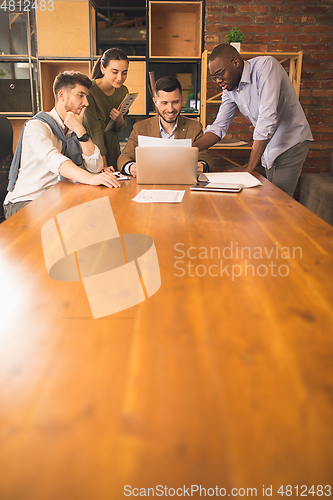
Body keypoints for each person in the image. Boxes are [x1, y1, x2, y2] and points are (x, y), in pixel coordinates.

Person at [193, 44, 313, 197]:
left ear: (235, 62)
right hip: (268, 146)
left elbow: (267, 119)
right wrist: (190, 149)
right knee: (269, 200)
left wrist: (248, 168)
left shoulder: (266, 67)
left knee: (278, 201)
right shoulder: (229, 90)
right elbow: (219, 127)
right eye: (214, 77)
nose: (218, 80)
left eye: (219, 73)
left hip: (291, 142)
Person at [4, 71, 120, 219]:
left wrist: (80, 131)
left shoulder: (73, 129)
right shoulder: (37, 126)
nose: (86, 103)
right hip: (26, 201)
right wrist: (91, 178)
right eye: (80, 95)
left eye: (87, 96)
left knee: (98, 215)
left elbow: (95, 167)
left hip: (54, 198)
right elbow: (55, 160)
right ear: (62, 96)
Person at [118, 76, 212, 177]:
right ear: (156, 102)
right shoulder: (140, 128)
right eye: (164, 103)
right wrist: (131, 167)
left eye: (175, 102)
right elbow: (124, 158)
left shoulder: (195, 127)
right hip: (150, 184)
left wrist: (202, 165)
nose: (170, 109)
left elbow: (205, 157)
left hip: (182, 184)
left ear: (182, 100)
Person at [83, 48, 129, 171]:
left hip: (112, 145)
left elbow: (121, 127)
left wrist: (119, 120)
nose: (120, 78)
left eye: (124, 73)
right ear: (103, 68)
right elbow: (95, 130)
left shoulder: (123, 91)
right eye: (115, 72)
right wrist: (102, 165)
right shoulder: (89, 91)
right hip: (93, 148)